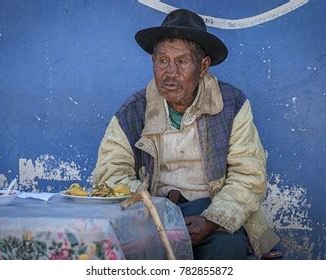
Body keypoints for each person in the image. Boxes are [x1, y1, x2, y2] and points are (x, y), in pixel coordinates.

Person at [93, 9, 279, 259]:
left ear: (203, 66)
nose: (170, 73)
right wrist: (154, 214)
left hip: (212, 212)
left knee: (228, 249)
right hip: (155, 214)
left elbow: (249, 175)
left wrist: (212, 220)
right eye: (162, 61)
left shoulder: (231, 103)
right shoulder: (134, 111)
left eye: (181, 61)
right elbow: (109, 172)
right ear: (153, 63)